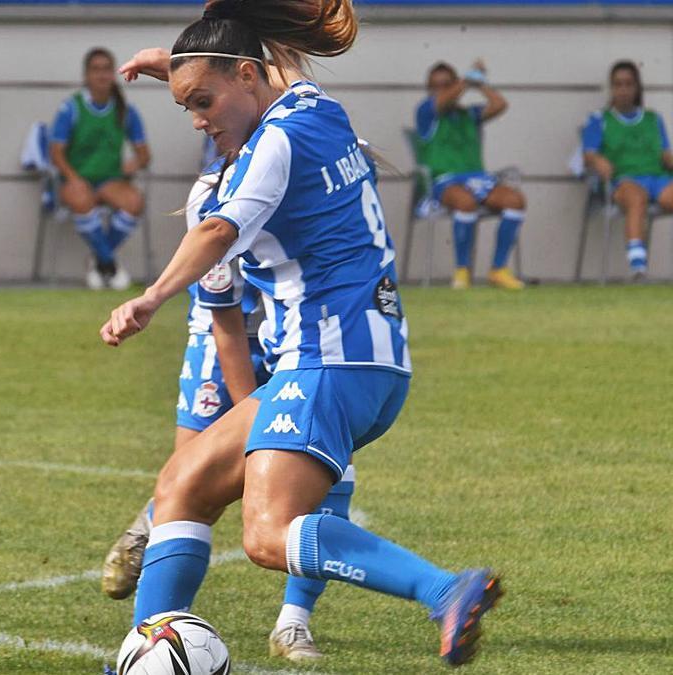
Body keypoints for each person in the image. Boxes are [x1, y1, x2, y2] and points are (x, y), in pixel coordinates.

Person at [104, 0, 502, 666]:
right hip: (356, 361)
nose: (200, 121)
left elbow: (218, 231)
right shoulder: (316, 107)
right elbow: (267, 65)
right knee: (182, 483)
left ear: (246, 76)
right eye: (186, 107)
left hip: (330, 359)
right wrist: (173, 62)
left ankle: (445, 588)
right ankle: (144, 648)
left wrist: (151, 296)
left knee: (267, 533)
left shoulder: (275, 144)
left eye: (204, 100)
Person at [100, 156, 358, 662]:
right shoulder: (223, 195)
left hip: (307, 346)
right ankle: (151, 624)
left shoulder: (319, 179)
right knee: (197, 481)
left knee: (335, 474)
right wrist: (253, 419)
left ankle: (293, 625)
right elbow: (225, 324)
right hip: (224, 342)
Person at [415, 60, 525, 290]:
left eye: (447, 84)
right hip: (443, 181)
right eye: (436, 86)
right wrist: (465, 80)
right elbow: (442, 102)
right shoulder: (426, 112)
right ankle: (462, 271)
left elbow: (500, 104)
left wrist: (480, 83)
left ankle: (498, 269)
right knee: (465, 203)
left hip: (477, 179)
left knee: (515, 201)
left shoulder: (470, 114)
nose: (442, 90)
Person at [50, 47, 150, 291]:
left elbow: (144, 154)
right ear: (86, 75)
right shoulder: (71, 108)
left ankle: (99, 259)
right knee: (82, 199)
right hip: (77, 177)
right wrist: (74, 178)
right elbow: (55, 153)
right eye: (96, 70)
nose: (102, 75)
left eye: (106, 69)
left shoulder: (125, 110)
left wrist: (134, 164)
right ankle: (110, 264)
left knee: (134, 202)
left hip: (110, 179)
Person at [582, 60, 673, 282]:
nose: (623, 90)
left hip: (658, 178)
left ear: (637, 88)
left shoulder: (653, 118)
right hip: (624, 180)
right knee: (636, 197)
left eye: (628, 84)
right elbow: (588, 153)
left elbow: (665, 153)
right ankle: (637, 265)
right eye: (618, 84)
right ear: (612, 88)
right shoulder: (599, 119)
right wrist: (597, 160)